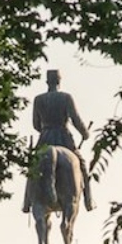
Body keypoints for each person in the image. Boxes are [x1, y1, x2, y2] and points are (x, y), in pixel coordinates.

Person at [30, 69, 92, 210]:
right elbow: (75, 119)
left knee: (31, 169)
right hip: (64, 139)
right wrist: (85, 133)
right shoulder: (66, 97)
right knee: (82, 166)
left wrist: (46, 129)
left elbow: (35, 124)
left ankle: (27, 201)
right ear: (59, 81)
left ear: (47, 82)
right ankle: (88, 200)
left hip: (45, 139)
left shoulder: (38, 99)